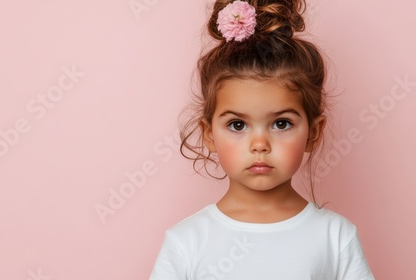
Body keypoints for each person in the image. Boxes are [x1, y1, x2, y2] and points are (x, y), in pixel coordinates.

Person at [149, 0, 375, 279]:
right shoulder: (186, 242)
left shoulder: (336, 238)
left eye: (281, 123)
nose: (259, 144)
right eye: (237, 124)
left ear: (313, 133)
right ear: (209, 133)